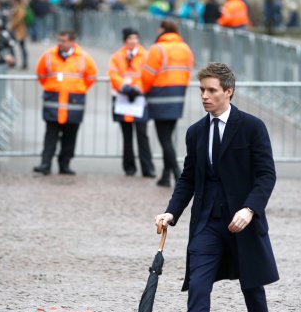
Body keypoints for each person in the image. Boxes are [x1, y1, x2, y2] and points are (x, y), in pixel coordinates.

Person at [155, 62, 279, 312]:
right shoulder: (196, 132)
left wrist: (250, 209)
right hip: (207, 225)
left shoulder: (252, 127)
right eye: (201, 90)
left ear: (228, 91)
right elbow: (187, 179)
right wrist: (171, 212)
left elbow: (267, 174)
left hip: (243, 224)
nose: (205, 96)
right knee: (198, 288)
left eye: (211, 90)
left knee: (252, 288)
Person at [33, 30, 97, 175]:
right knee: (51, 135)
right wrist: (52, 87)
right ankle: (45, 163)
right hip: (53, 102)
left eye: (63, 41)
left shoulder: (83, 57)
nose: (60, 44)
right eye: (59, 40)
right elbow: (41, 74)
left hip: (74, 103)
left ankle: (65, 164)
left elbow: (91, 77)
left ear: (72, 42)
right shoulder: (49, 55)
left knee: (70, 136)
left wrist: (78, 88)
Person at [141, 19, 193, 187]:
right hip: (178, 95)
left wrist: (143, 89)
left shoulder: (158, 48)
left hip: (160, 95)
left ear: (162, 30)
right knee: (168, 136)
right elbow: (189, 70)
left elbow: (148, 74)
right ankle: (165, 175)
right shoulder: (185, 48)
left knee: (164, 138)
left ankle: (177, 173)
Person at [108, 27, 155, 178]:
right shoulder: (117, 56)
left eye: (135, 38)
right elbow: (113, 74)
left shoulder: (146, 55)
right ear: (125, 40)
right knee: (126, 135)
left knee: (142, 134)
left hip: (139, 99)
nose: (133, 41)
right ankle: (129, 167)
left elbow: (148, 74)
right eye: (130, 38)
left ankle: (147, 168)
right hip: (123, 98)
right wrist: (125, 88)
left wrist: (138, 89)